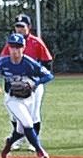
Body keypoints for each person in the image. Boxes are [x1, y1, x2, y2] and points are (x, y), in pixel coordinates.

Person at [0, 33, 54, 158]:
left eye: (18, 47)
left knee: (20, 130)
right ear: (8, 48)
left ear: (24, 47)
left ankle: (9, 143)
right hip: (12, 99)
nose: (15, 50)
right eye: (12, 47)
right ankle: (40, 150)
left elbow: (48, 76)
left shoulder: (29, 63)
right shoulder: (3, 62)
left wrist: (35, 83)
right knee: (27, 123)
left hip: (28, 98)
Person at [11, 14, 52, 148]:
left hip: (34, 83)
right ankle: (18, 139)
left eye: (22, 26)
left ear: (29, 27)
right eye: (17, 26)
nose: (19, 29)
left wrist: (37, 80)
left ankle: (33, 142)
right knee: (16, 115)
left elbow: (47, 62)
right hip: (17, 82)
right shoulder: (11, 44)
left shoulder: (36, 42)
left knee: (33, 114)